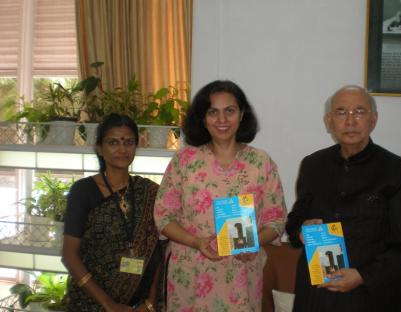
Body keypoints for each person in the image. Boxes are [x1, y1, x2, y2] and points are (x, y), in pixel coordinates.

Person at [154, 80, 287, 311]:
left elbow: (276, 219)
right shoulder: (184, 161)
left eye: (230, 111)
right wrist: (196, 241)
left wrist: (253, 242)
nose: (222, 120)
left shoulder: (261, 163)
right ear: (202, 118)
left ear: (242, 114)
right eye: (213, 112)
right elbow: (163, 216)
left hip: (242, 275)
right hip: (191, 274)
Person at [286, 85, 401, 311]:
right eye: (341, 112)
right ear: (329, 121)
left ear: (373, 119)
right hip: (316, 295)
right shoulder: (312, 165)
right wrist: (300, 229)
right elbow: (295, 218)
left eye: (359, 112)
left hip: (371, 296)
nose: (350, 121)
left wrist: (362, 276)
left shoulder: (398, 171)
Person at [62, 113, 165, 312]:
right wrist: (108, 304)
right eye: (113, 142)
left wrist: (151, 302)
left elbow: (162, 250)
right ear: (99, 148)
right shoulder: (83, 191)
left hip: (139, 306)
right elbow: (69, 255)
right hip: (90, 303)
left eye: (128, 142)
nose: (122, 149)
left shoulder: (150, 192)